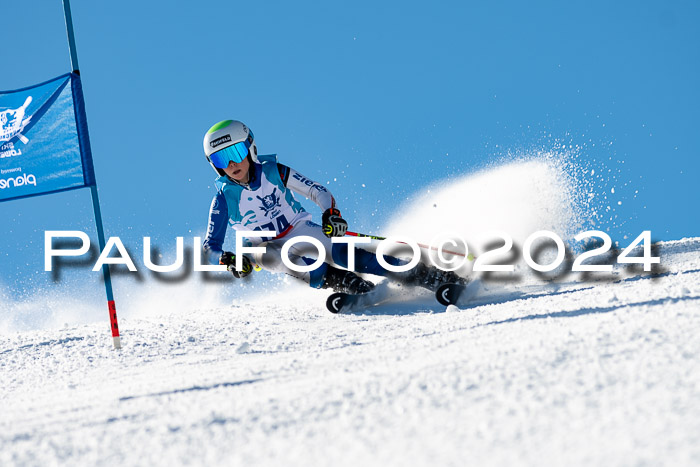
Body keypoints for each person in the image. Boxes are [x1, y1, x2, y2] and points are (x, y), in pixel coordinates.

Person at [201, 120, 463, 294]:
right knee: (301, 263)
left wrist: (331, 214)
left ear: (250, 149)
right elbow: (210, 247)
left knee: (353, 256)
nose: (232, 164)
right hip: (261, 248)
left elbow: (317, 191)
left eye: (235, 153)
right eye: (221, 159)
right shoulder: (223, 199)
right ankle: (349, 285)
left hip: (298, 229)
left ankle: (431, 276)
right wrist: (228, 259)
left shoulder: (274, 171)